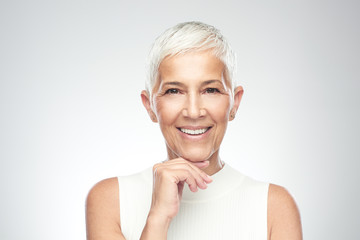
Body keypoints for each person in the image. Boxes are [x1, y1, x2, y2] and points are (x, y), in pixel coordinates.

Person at [85, 21, 302, 240]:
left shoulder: (274, 207)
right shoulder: (111, 200)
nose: (193, 111)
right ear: (149, 105)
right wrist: (158, 217)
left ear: (235, 103)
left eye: (210, 90)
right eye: (173, 91)